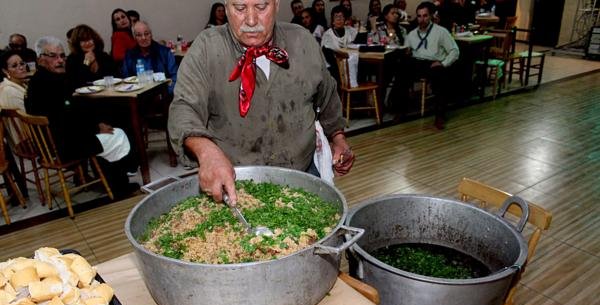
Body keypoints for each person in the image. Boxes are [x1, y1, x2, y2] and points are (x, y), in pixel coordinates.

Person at [168, 0, 354, 206]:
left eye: (261, 7)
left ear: (276, 4)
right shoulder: (206, 48)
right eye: (240, 8)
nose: (251, 20)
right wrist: (206, 151)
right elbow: (184, 109)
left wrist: (338, 138)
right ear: (227, 8)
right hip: (236, 187)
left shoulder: (302, 40)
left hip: (303, 177)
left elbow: (327, 96)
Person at [25, 36, 137, 196]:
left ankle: (108, 180)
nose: (60, 60)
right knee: (117, 134)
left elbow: (70, 110)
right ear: (40, 59)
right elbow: (66, 118)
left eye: (62, 56)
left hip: (54, 142)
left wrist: (95, 124)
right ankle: (119, 187)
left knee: (106, 126)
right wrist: (96, 127)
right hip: (63, 146)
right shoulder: (47, 83)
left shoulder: (41, 79)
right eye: (53, 56)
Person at [400, 1, 459, 129]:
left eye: (425, 16)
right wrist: (406, 52)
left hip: (434, 63)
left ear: (431, 16)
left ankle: (440, 115)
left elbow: (455, 51)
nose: (422, 19)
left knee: (440, 77)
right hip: (417, 62)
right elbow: (406, 49)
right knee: (402, 72)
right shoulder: (412, 34)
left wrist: (443, 63)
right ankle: (401, 111)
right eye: (419, 16)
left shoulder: (441, 32)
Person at [122, 21, 178, 94]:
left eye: (146, 34)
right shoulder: (130, 55)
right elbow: (126, 80)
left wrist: (166, 92)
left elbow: (175, 77)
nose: (143, 38)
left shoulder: (164, 52)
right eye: (139, 35)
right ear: (134, 37)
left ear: (151, 35)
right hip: (138, 95)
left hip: (162, 94)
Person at [66, 25, 116, 90]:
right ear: (77, 43)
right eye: (83, 41)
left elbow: (115, 77)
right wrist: (86, 63)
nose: (87, 43)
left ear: (95, 40)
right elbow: (77, 83)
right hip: (84, 95)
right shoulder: (72, 59)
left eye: (89, 39)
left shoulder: (104, 56)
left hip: (107, 93)